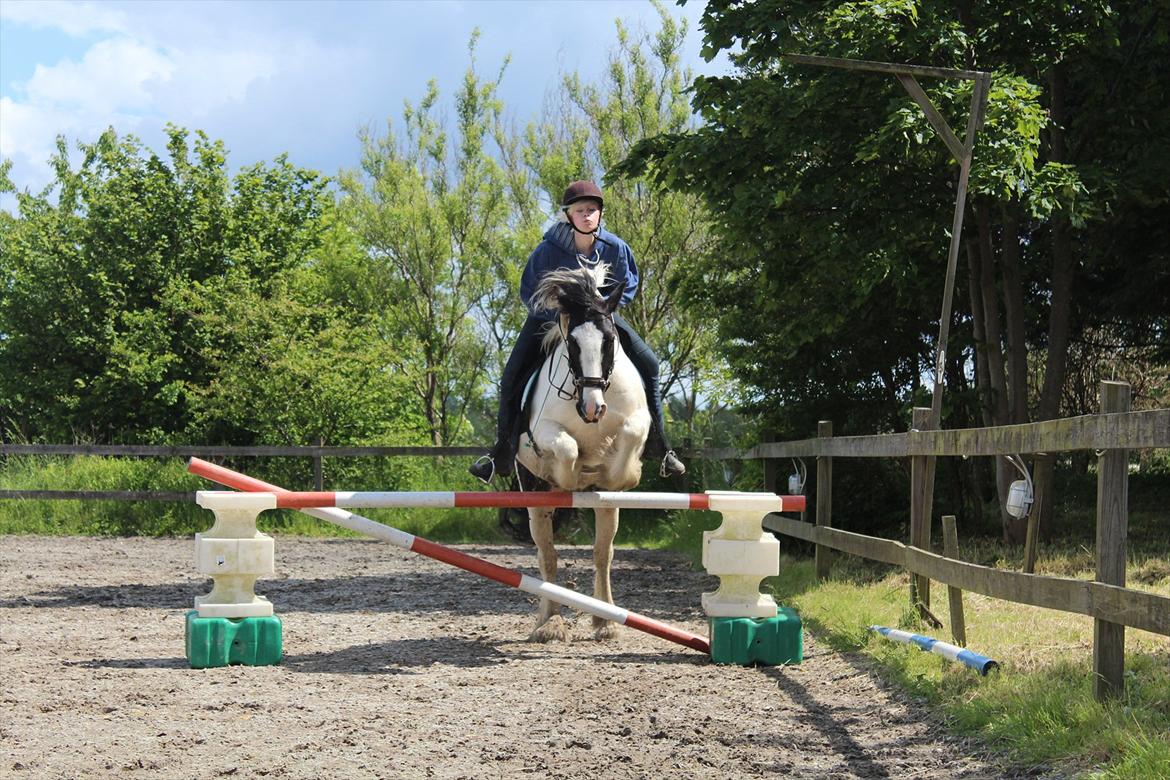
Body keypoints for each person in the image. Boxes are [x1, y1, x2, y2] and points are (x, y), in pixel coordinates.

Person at [470, 180, 686, 482]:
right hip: (550, 319)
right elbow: (528, 291)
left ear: (600, 214)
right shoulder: (548, 250)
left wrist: (602, 306)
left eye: (592, 210)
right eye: (580, 210)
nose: (587, 215)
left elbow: (630, 284)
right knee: (511, 375)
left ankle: (661, 448)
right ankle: (500, 455)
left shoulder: (615, 247)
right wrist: (562, 312)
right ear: (568, 215)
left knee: (649, 363)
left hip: (599, 318)